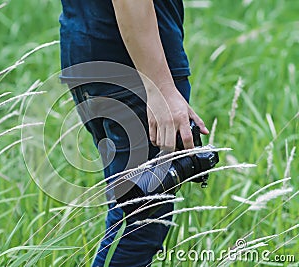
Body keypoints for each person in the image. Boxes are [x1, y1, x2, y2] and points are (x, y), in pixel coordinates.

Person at [59, 0, 209, 266]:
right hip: (134, 69)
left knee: (130, 211)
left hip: (88, 51)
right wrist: (160, 87)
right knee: (138, 226)